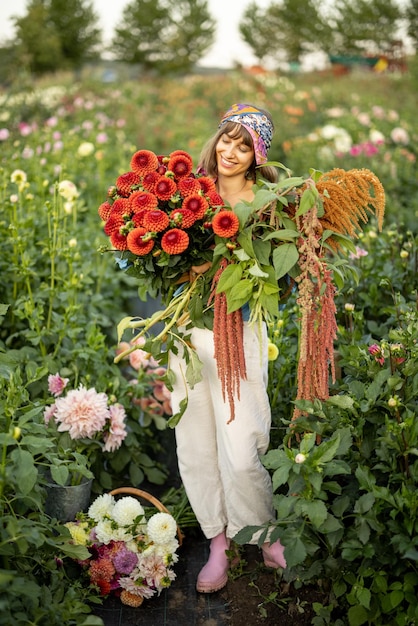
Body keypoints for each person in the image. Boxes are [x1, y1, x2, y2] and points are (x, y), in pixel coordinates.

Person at [169, 103, 287, 594]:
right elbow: (156, 264)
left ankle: (260, 531)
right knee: (196, 443)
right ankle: (217, 543)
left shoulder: (269, 202)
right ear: (215, 139)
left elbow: (282, 273)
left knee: (242, 447)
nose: (231, 151)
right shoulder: (187, 193)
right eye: (227, 139)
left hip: (239, 335)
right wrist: (186, 269)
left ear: (258, 155)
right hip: (188, 332)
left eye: (245, 144)